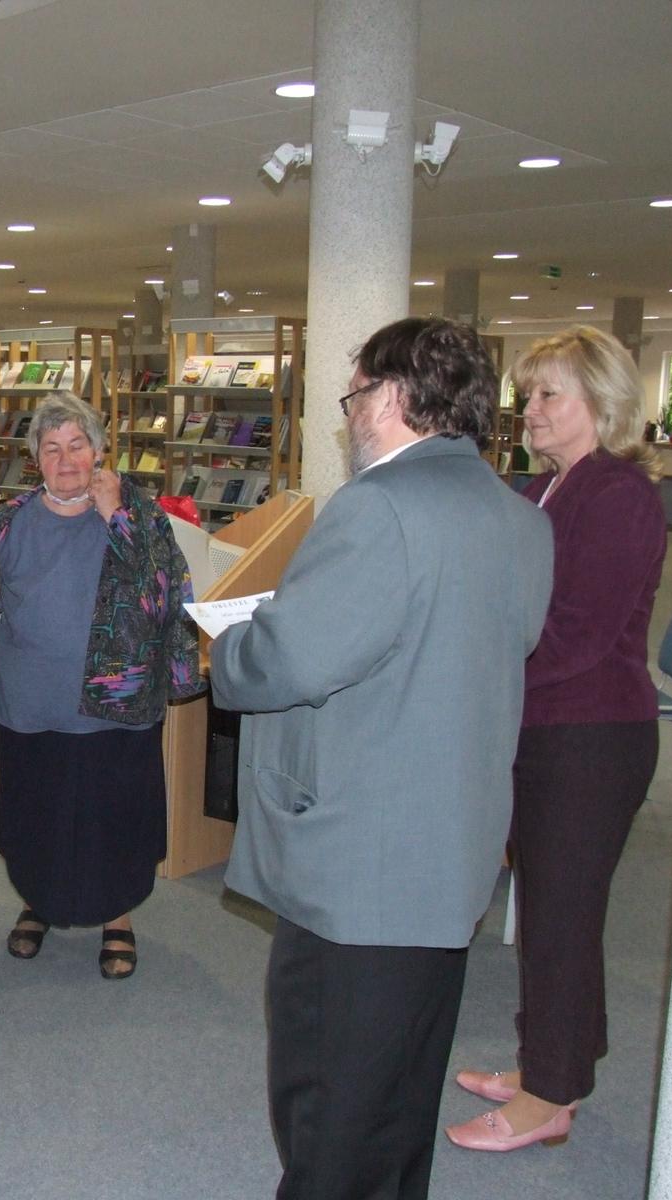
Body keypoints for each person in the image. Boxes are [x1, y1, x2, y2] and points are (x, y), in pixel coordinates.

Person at [210, 318, 553, 1200]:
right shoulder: (521, 518)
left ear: (394, 397)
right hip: (451, 851)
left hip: (359, 863)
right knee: (401, 1090)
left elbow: (292, 659)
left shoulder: (379, 507)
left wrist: (232, 647)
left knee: (330, 1102)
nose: (350, 415)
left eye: (355, 394)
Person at [447, 326, 666, 1152]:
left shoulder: (618, 493)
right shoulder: (548, 487)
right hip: (544, 732)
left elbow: (577, 635)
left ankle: (548, 1097)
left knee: (561, 918)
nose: (529, 409)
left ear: (601, 401)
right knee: (551, 911)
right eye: (527, 393)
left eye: (548, 394)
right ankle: (558, 1060)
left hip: (591, 739)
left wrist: (481, 671)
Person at [0, 392, 202, 978]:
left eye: (77, 445)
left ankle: (118, 917)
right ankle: (38, 901)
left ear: (100, 451)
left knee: (116, 819)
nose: (65, 460)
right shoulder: (7, 522)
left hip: (117, 706)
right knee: (37, 815)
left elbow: (166, 597)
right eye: (51, 448)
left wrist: (117, 518)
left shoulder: (139, 513)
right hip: (31, 703)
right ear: (35, 457)